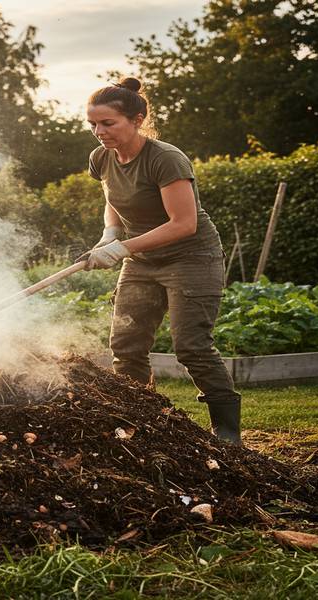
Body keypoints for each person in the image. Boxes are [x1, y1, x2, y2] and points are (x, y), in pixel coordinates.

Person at [78, 77, 241, 444]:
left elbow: (184, 224)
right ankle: (139, 420)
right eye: (93, 124)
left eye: (108, 123)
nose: (99, 132)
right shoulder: (101, 157)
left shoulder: (166, 158)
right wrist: (110, 234)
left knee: (191, 346)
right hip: (142, 258)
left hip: (191, 256)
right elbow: (114, 198)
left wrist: (121, 249)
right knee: (127, 345)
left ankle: (227, 433)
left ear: (136, 119)